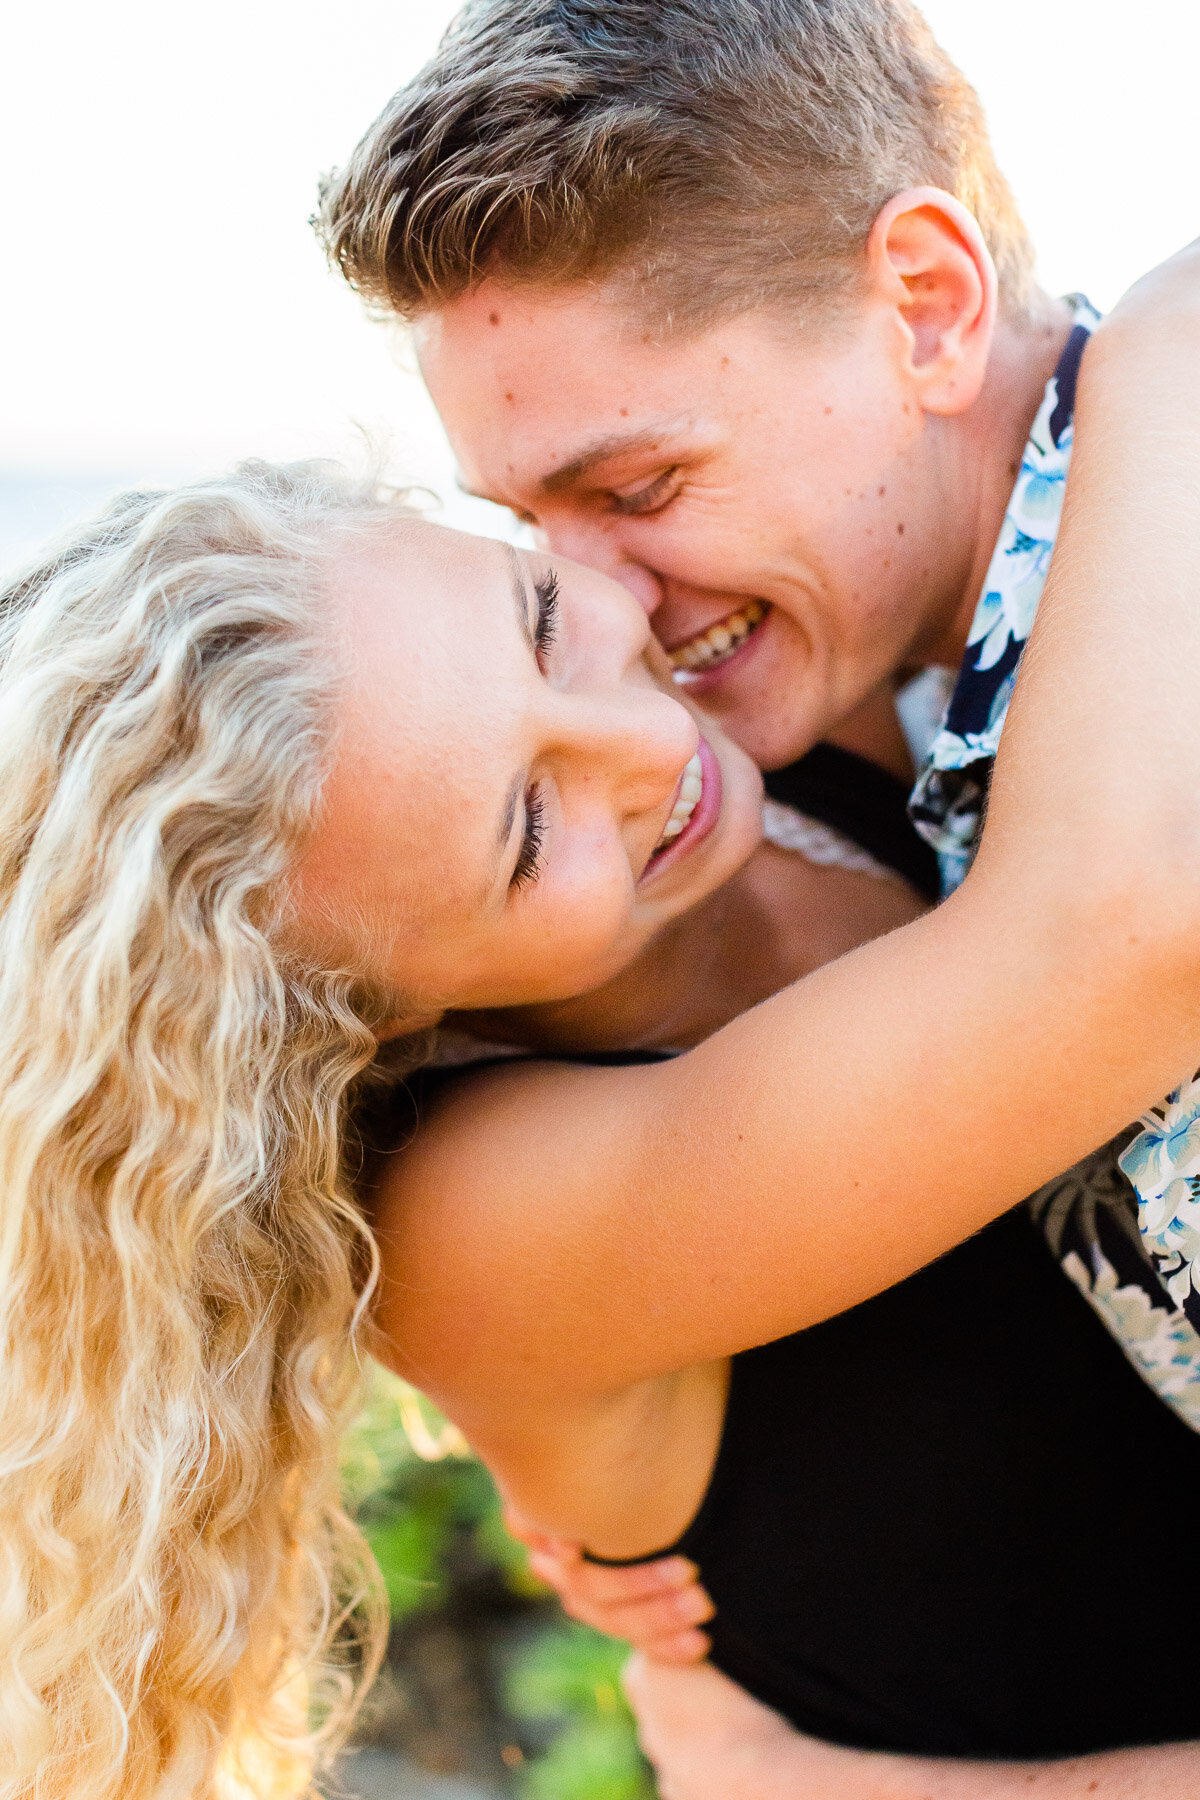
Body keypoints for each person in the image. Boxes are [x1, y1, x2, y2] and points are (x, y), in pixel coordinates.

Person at [3, 260, 1199, 1797]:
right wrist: (1162, 333)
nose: (648, 741)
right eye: (524, 830)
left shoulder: (771, 724)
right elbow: (1124, 939)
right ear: (371, 1016)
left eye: (543, 615)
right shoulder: (470, 1227)